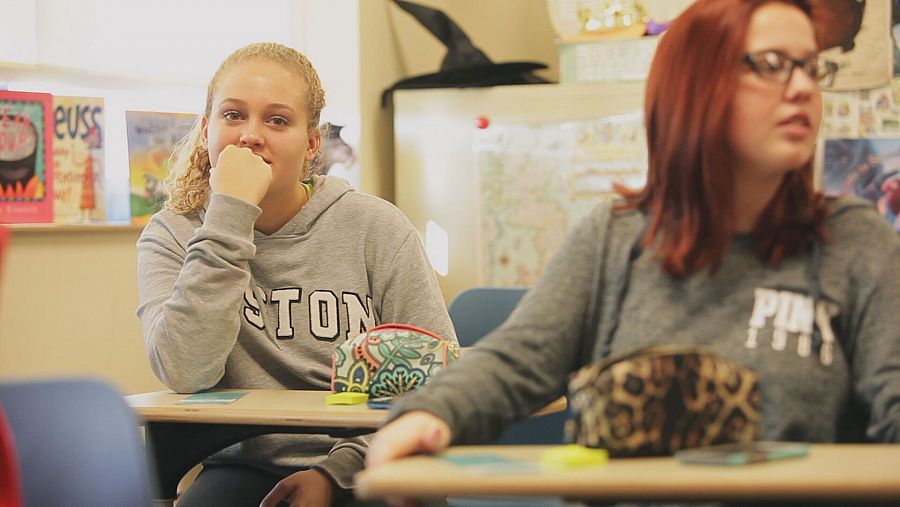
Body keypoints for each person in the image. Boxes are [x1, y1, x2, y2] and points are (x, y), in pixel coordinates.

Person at [367, 0, 900, 473]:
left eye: (811, 66)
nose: (804, 86)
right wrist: (426, 413)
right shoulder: (615, 236)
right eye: (774, 65)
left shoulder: (855, 242)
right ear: (698, 83)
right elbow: (515, 361)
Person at [136, 42, 455, 507]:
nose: (250, 136)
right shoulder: (173, 233)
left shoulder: (375, 227)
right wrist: (230, 214)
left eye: (277, 120)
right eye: (232, 115)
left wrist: (334, 474)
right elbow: (185, 370)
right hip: (241, 463)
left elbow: (437, 377)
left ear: (311, 143)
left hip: (373, 458)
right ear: (206, 131)